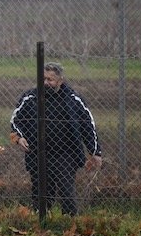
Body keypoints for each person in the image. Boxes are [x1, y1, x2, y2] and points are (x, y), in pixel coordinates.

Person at [10, 62, 102, 216]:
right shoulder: (30, 98)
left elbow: (87, 125)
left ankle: (70, 221)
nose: (46, 83)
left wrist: (95, 151)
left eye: (50, 80)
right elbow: (15, 121)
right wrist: (19, 138)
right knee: (42, 192)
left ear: (60, 81)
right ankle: (42, 220)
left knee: (66, 190)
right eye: (43, 79)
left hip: (66, 154)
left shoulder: (73, 100)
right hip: (37, 153)